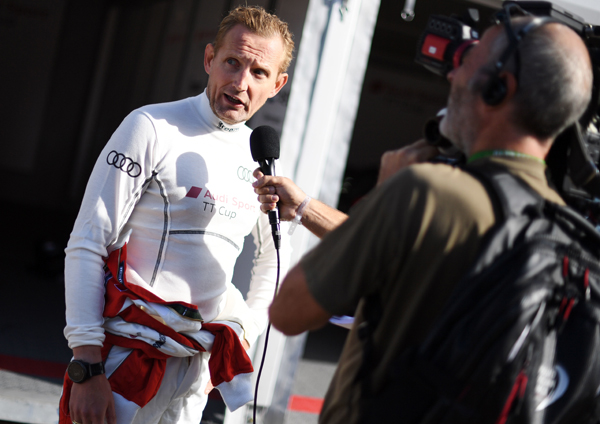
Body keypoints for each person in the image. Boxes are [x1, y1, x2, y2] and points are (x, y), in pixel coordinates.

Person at [254, 13, 593, 424]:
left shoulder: (423, 192)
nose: (452, 76)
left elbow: (289, 311)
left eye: (468, 61)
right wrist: (309, 206)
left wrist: (388, 190)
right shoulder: (571, 230)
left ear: (499, 87)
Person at [60, 6, 293, 424]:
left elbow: (274, 259)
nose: (240, 83)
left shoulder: (263, 156)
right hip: (124, 361)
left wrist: (241, 335)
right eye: (232, 63)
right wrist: (87, 365)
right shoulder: (151, 125)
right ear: (209, 60)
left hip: (195, 373)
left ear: (277, 85)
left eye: (258, 73)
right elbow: (87, 242)